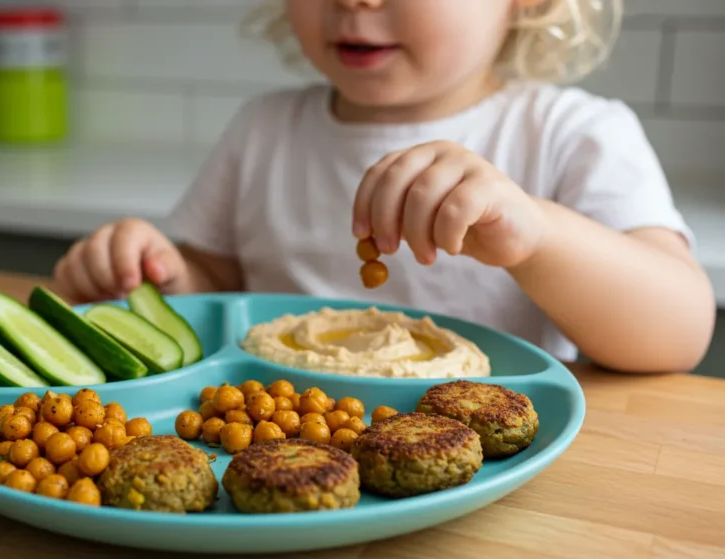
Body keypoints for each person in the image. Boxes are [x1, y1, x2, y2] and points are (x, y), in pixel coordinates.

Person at [52, 0, 716, 373]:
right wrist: (156, 272)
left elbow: (679, 330)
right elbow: (215, 281)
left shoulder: (572, 132)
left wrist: (535, 234)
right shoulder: (264, 128)